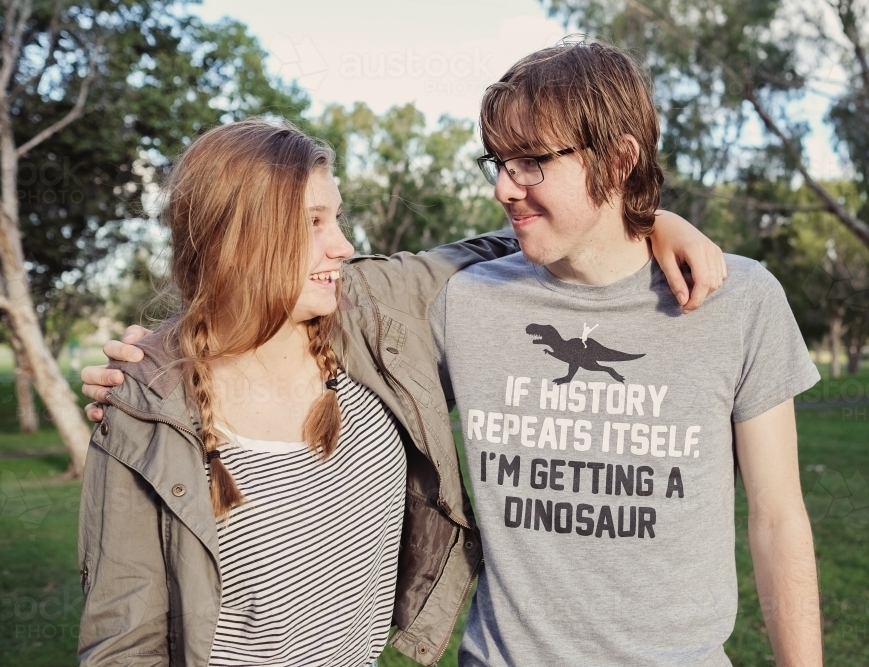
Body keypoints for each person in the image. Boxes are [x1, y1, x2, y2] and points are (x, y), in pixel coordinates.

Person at [78, 118, 726, 665]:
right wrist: (148, 383)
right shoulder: (145, 405)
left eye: (338, 217)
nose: (344, 244)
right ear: (237, 236)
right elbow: (121, 640)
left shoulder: (368, 311)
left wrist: (647, 221)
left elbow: (523, 239)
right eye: (314, 222)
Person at [427, 42, 824, 666]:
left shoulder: (738, 301)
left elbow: (778, 520)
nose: (505, 187)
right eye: (498, 161)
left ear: (617, 161)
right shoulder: (465, 301)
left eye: (531, 161)